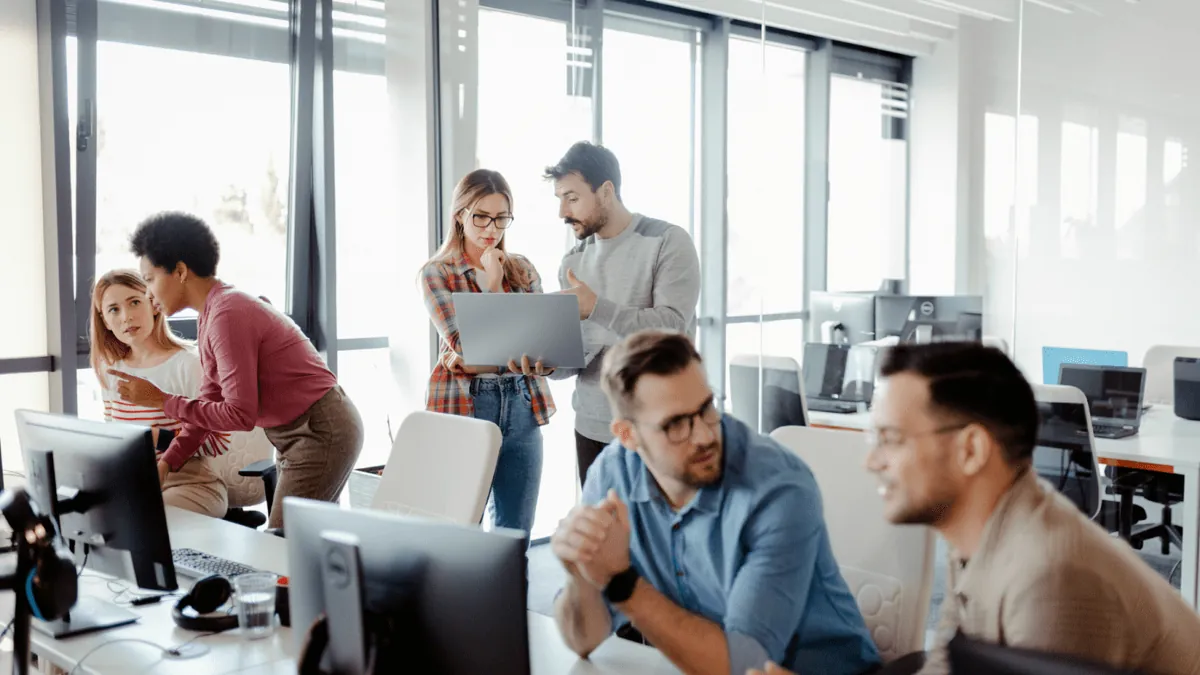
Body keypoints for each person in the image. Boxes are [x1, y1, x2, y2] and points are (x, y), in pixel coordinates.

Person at [757, 342, 1200, 675]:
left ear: (970, 450)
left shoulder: (1048, 580)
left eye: (891, 439)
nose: (871, 461)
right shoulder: (977, 531)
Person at [551, 330, 880, 675]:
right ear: (627, 435)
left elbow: (744, 666)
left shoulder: (778, 489)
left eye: (707, 408)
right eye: (676, 424)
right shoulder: (613, 475)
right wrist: (581, 575)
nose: (706, 435)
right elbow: (583, 641)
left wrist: (621, 582)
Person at [110, 211, 364, 529]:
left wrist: (163, 401)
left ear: (180, 271)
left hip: (320, 430)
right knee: (296, 547)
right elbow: (209, 401)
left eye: (149, 279)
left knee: (281, 546)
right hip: (297, 433)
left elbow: (239, 415)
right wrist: (170, 461)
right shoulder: (213, 315)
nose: (148, 293)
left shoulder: (228, 315)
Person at [544, 141, 701, 487]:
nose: (562, 212)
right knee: (602, 538)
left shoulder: (668, 241)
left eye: (572, 198)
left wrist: (596, 307)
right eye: (559, 199)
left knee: (657, 540)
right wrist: (547, 364)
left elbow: (672, 330)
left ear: (606, 191)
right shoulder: (573, 261)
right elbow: (580, 355)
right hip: (590, 426)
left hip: (657, 427)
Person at [420, 169, 555, 534]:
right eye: (481, 216)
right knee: (461, 534)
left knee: (515, 538)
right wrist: (493, 288)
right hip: (467, 406)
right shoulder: (438, 273)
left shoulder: (523, 269)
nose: (491, 228)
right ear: (460, 215)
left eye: (501, 217)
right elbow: (467, 344)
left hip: (523, 405)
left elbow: (539, 342)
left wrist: (476, 355)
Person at [89, 269, 229, 518]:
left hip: (190, 484)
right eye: (114, 310)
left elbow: (219, 441)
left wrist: (156, 437)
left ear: (153, 303)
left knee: (142, 516)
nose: (126, 317)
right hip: (135, 485)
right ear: (105, 322)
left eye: (134, 302)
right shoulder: (110, 370)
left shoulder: (188, 364)